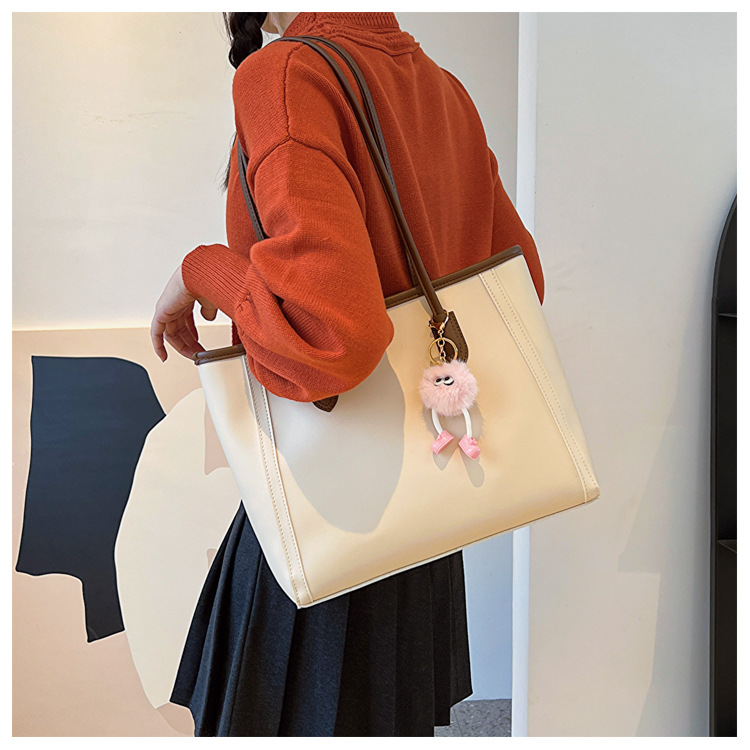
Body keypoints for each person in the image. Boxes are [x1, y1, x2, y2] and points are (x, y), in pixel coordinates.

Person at [151, 11, 544, 737]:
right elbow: (519, 286)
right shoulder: (440, 87)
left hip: (329, 518)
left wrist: (203, 269)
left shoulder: (288, 74)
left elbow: (332, 340)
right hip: (424, 518)